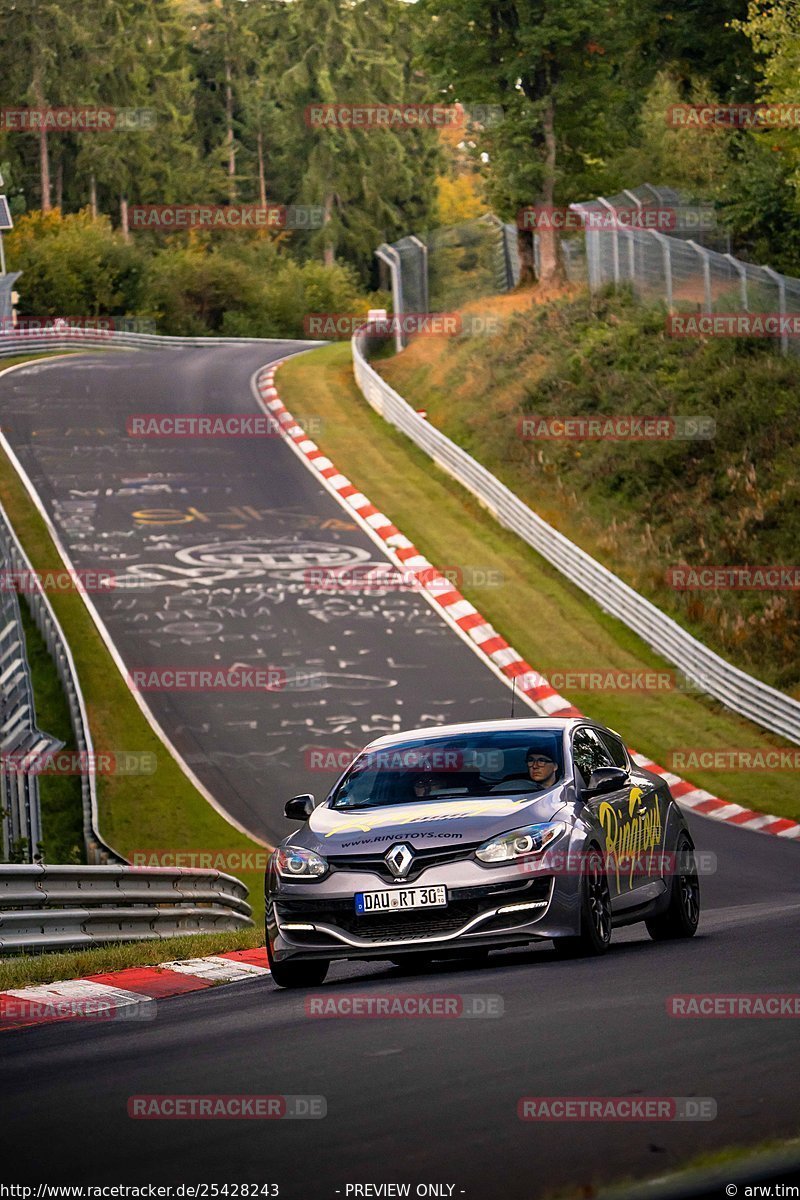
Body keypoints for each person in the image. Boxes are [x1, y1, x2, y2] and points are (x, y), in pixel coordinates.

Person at [488, 747, 559, 793]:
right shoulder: (511, 787)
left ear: (555, 766)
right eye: (530, 760)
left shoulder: (564, 791)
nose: (534, 766)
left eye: (541, 761)